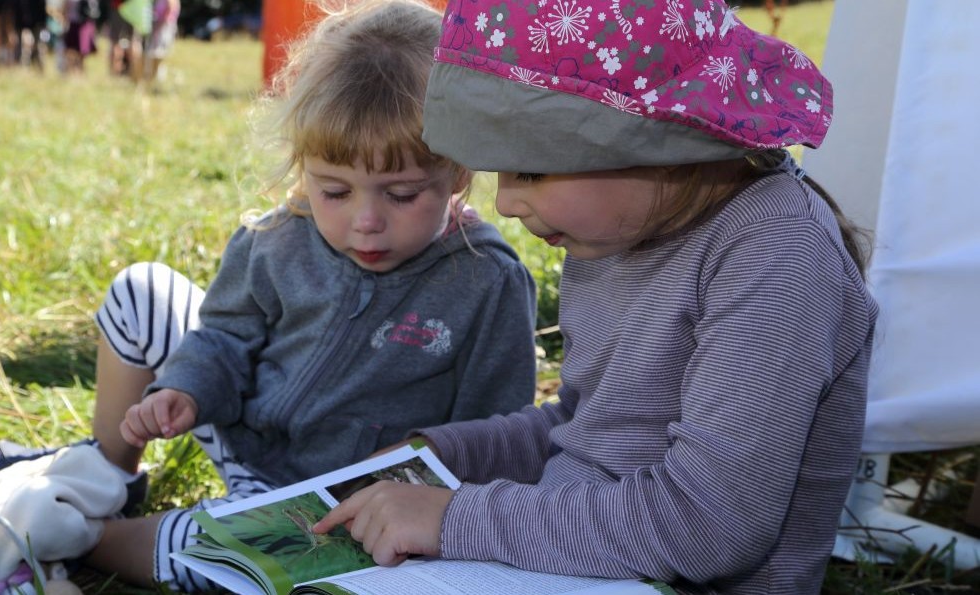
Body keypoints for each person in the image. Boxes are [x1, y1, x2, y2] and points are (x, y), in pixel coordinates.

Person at [0, 0, 538, 590]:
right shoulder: (277, 238)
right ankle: (109, 474)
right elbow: (225, 336)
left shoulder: (487, 282)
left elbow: (496, 431)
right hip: (237, 429)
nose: (366, 221)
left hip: (326, 504)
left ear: (459, 172)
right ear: (304, 164)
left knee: (224, 561)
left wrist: (415, 490)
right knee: (139, 291)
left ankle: (80, 538)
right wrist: (185, 388)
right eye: (334, 190)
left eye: (402, 195)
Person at [313, 1, 879, 594]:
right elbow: (586, 428)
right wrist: (447, 454)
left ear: (657, 143)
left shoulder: (776, 252)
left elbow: (709, 523)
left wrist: (456, 518)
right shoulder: (617, 228)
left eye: (531, 171)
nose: (505, 203)